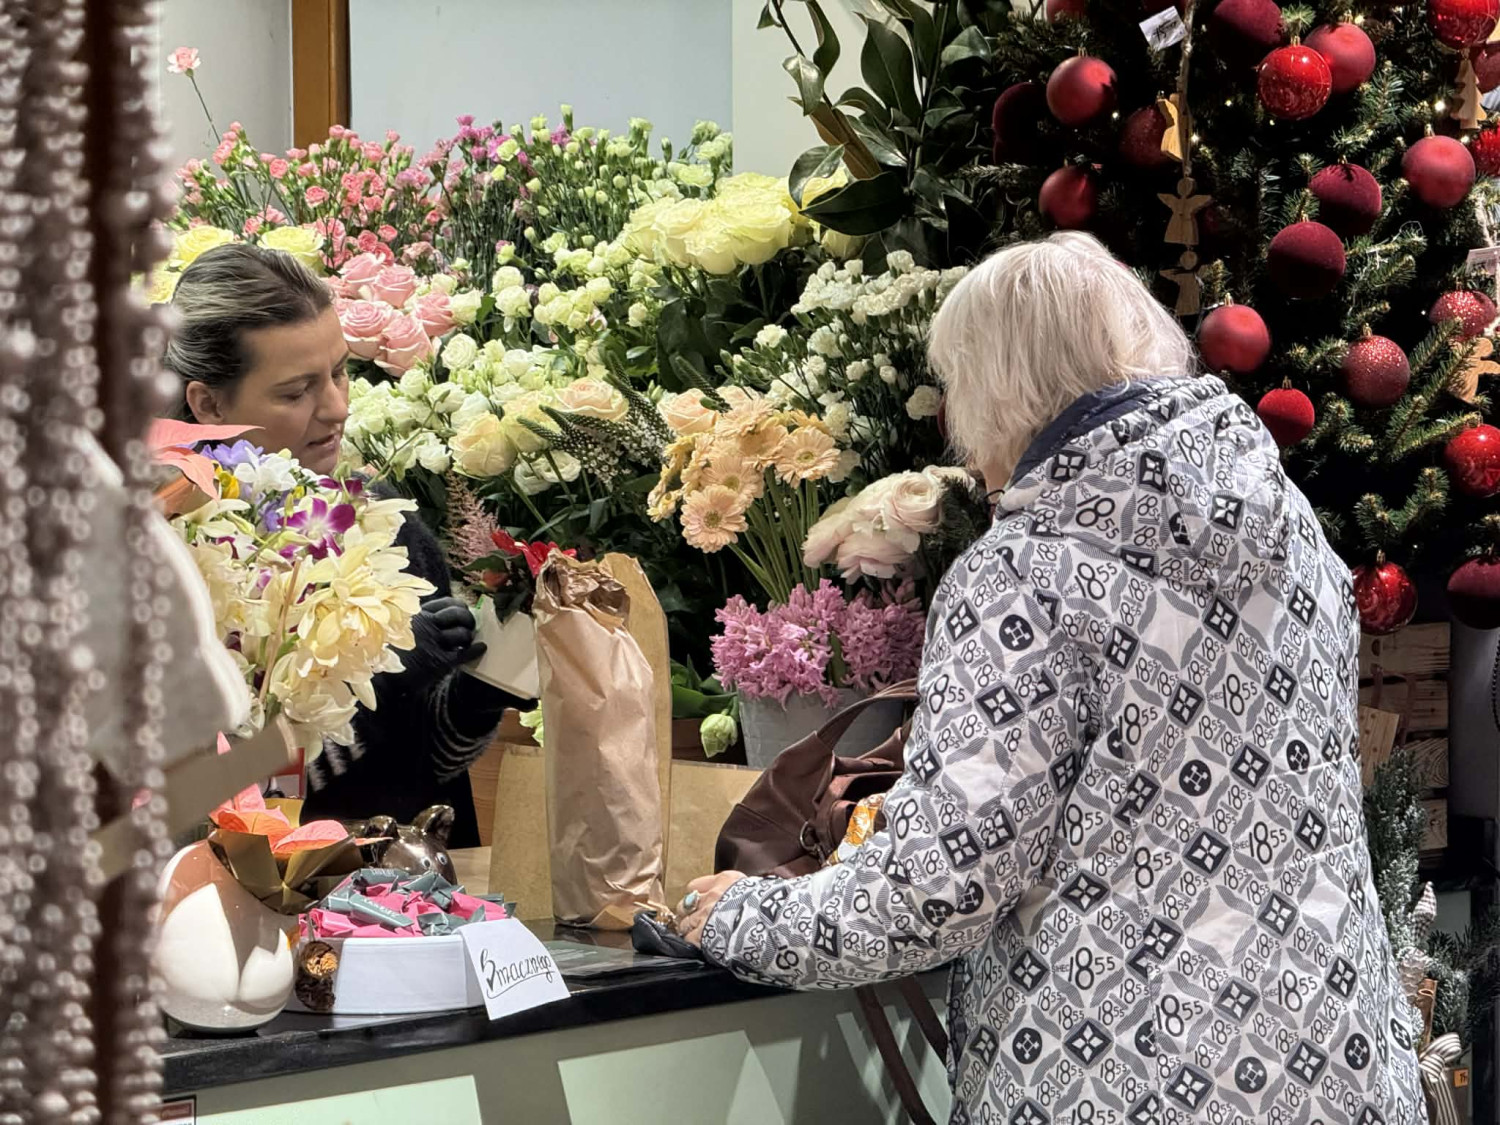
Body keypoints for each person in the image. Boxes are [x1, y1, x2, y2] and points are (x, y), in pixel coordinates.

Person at [677, 233, 1424, 1123]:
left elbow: (937, 886)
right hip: (1337, 1062)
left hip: (1117, 1080)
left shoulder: (1024, 574)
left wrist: (740, 917)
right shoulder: (1295, 531)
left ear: (1001, 391)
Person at [165, 242, 519, 846]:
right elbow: (202, 807)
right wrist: (385, 681)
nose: (336, 408)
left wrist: (487, 685)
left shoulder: (389, 527)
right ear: (208, 403)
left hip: (395, 907)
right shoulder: (169, 558)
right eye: (296, 391)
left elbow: (426, 770)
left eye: (340, 372)